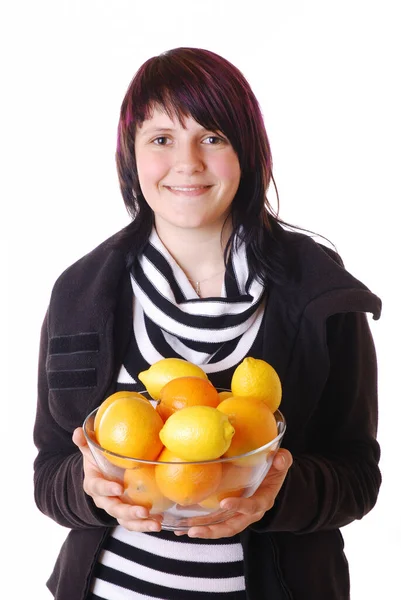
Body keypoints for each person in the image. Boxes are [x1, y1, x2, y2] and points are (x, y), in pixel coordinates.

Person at [33, 47, 382, 600]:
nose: (188, 162)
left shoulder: (317, 290)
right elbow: (50, 468)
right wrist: (87, 488)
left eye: (213, 136)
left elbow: (358, 477)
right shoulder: (81, 291)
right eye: (162, 138)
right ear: (132, 155)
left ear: (247, 150)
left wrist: (273, 496)